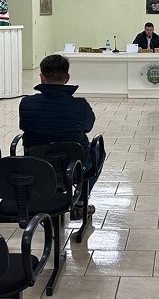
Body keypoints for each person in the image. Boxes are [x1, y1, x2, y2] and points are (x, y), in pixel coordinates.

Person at [19, 54, 98, 220]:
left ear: (42, 77)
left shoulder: (26, 103)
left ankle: (43, 197)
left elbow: (25, 126)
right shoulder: (80, 105)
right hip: (74, 166)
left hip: (38, 165)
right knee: (97, 150)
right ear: (67, 78)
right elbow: (88, 127)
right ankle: (80, 203)